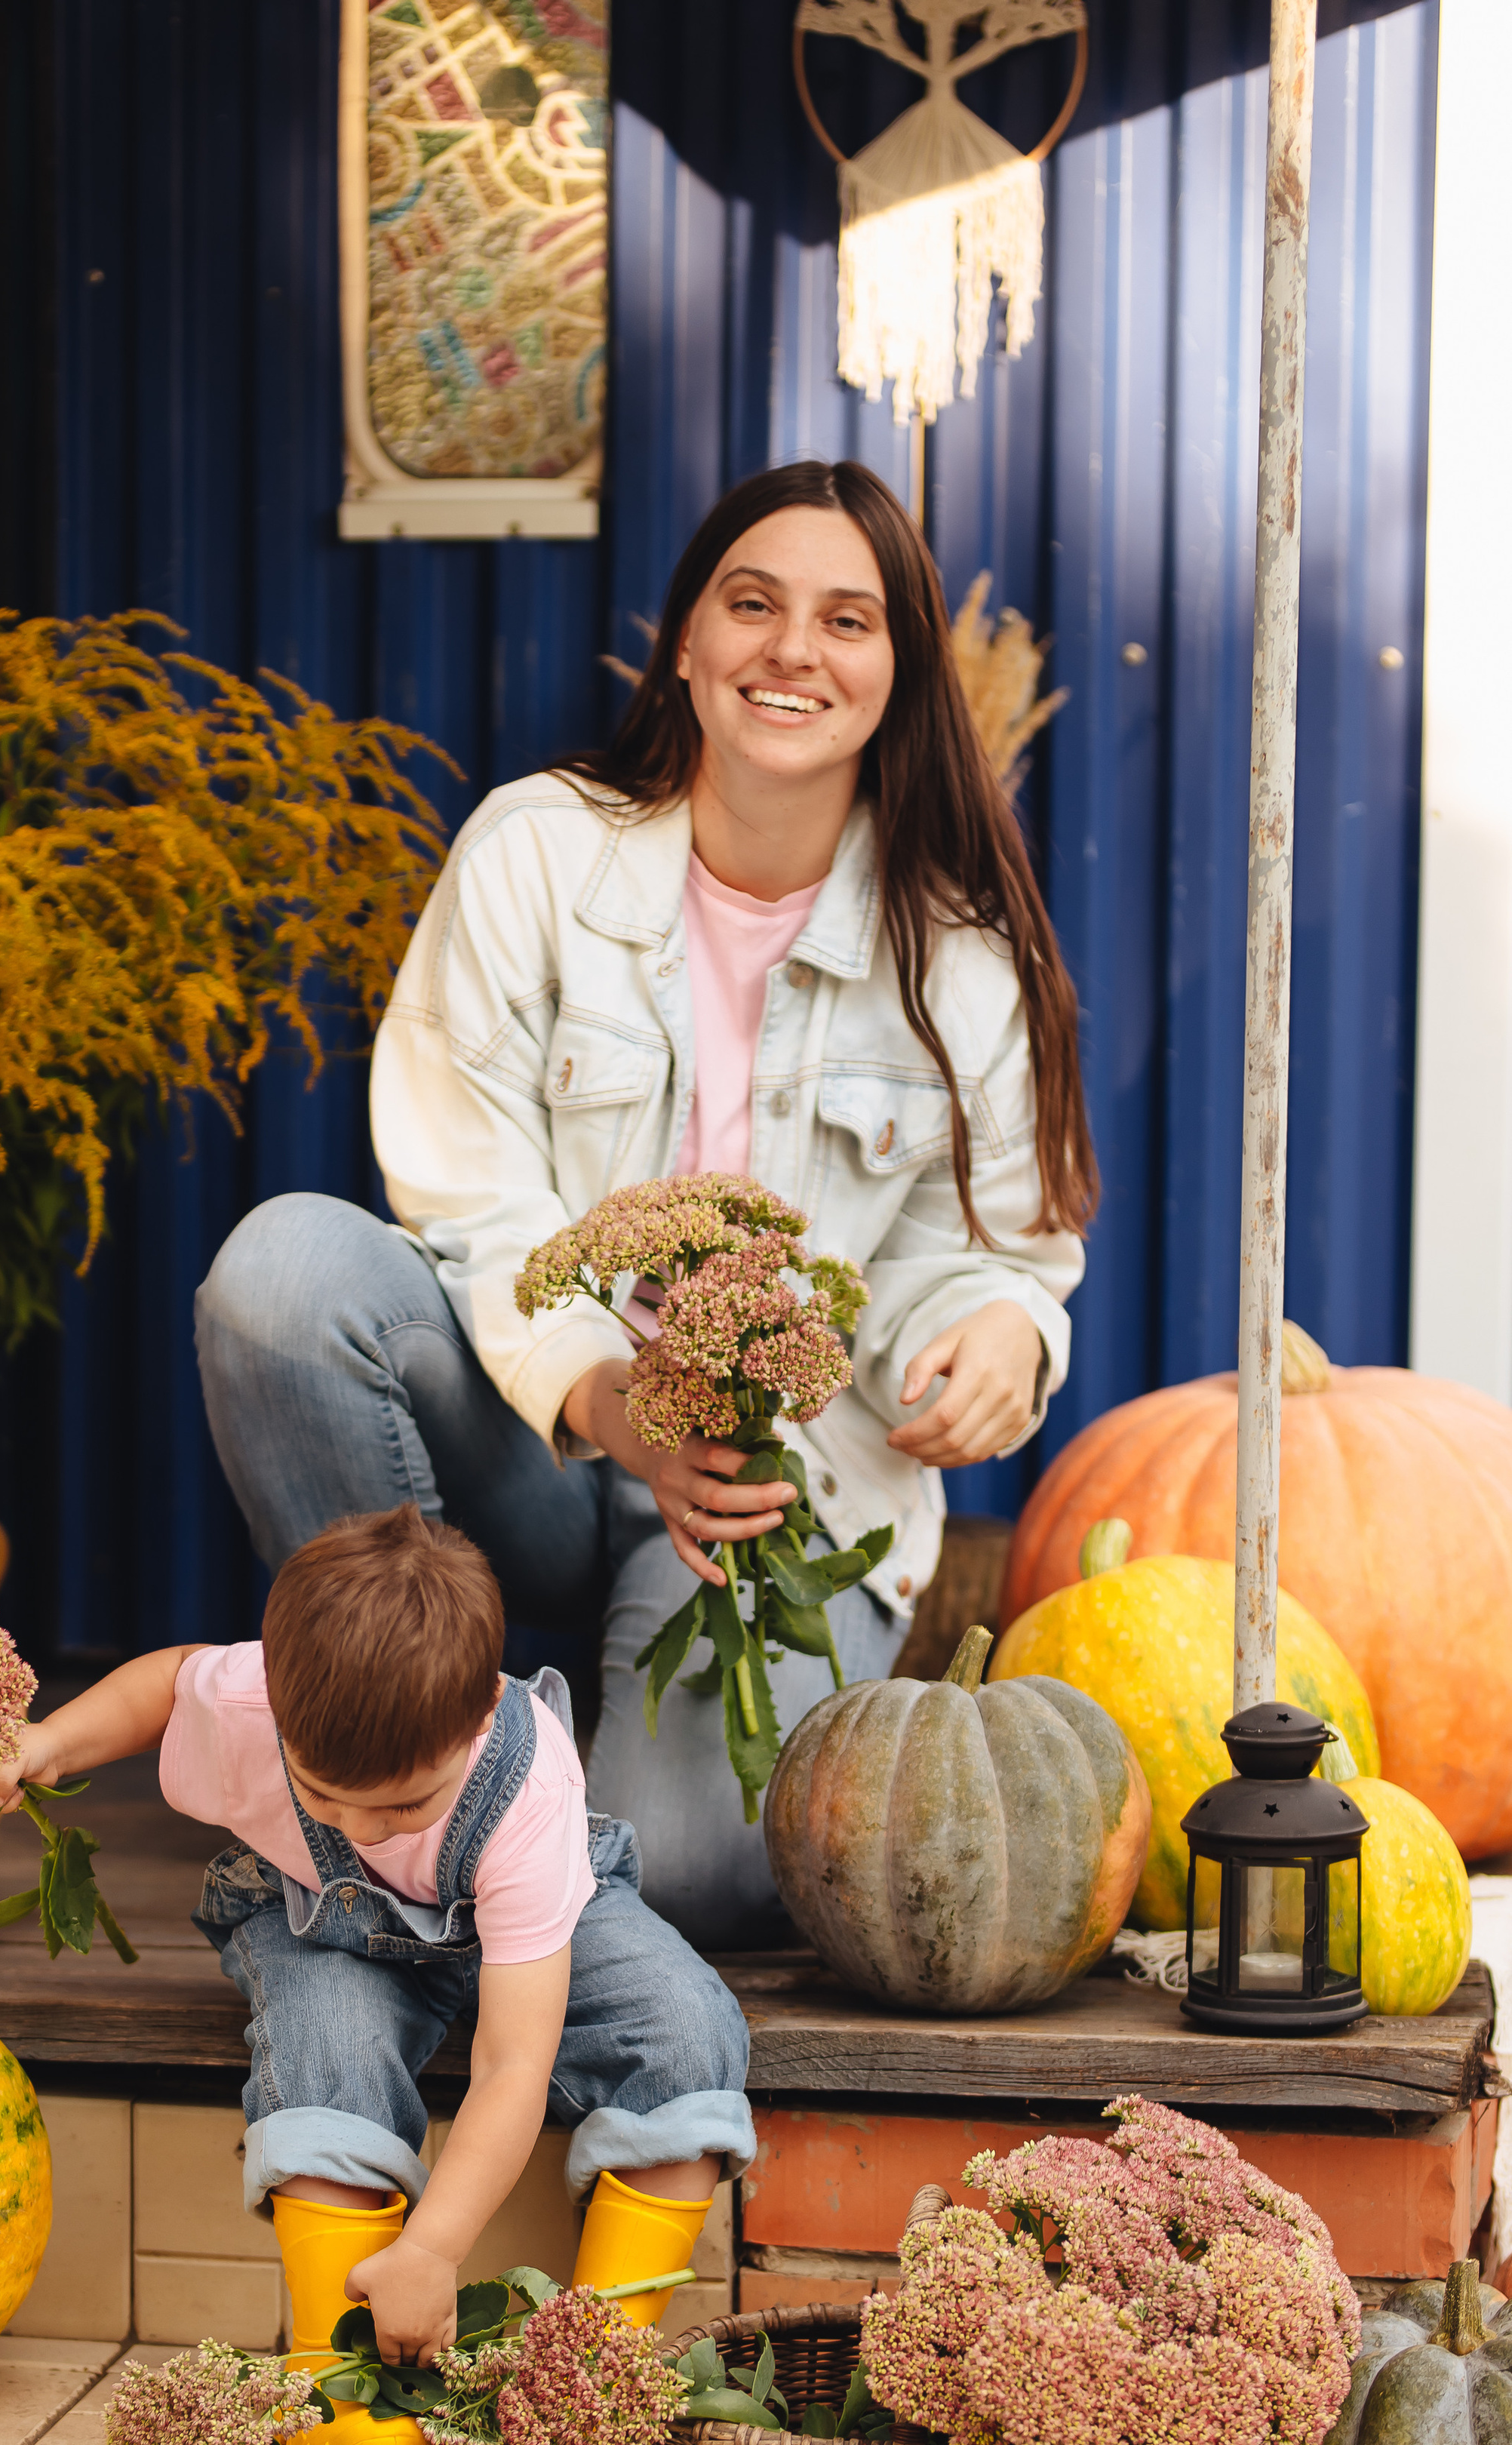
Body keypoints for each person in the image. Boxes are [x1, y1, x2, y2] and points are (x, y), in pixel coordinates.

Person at [198, 457, 1096, 1948]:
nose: (789, 650)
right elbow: (465, 1192)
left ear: (900, 668)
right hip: (537, 1448)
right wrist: (607, 1396)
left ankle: (546, 1805)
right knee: (280, 1277)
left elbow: (984, 1246)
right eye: (750, 605)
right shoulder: (536, 853)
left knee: (692, 1878)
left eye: (845, 619)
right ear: (683, 641)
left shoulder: (958, 955)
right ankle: (418, 1767)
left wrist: (1000, 1326)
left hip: (770, 1493)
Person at [0, 1502, 752, 2445]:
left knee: (685, 2032)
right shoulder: (254, 1701)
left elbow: (515, 2063)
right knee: (323, 2048)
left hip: (519, 1924)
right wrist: (54, 1741)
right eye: (322, 1791)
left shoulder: (525, 1793)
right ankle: (339, 2378)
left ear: (477, 1721)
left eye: (399, 1805)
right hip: (315, 1913)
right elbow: (166, 1685)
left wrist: (434, 2249)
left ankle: (589, 2366)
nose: (359, 1822)